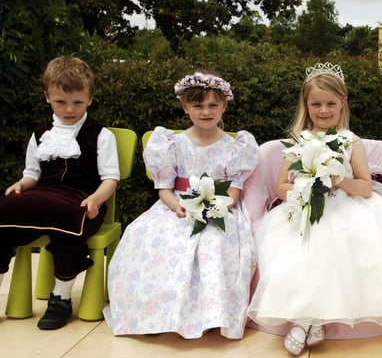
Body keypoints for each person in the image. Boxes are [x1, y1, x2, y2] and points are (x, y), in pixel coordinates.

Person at [247, 62, 382, 356]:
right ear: (305, 105)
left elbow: (365, 186)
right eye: (316, 104)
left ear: (342, 103)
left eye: (330, 104)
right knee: (298, 250)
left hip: (347, 206)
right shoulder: (298, 141)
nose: (323, 111)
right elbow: (281, 186)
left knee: (341, 245)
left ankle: (309, 320)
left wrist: (338, 181)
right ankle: (308, 319)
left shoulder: (351, 141)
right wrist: (303, 188)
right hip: (306, 206)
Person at [103, 72, 259, 340]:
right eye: (198, 106)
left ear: (224, 106)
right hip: (178, 207)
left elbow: (235, 187)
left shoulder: (236, 147)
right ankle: (154, 313)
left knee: (212, 244)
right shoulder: (172, 144)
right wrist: (176, 207)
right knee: (155, 240)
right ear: (185, 107)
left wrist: (222, 205)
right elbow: (164, 188)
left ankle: (211, 314)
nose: (206, 112)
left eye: (213, 105)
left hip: (220, 209)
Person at [0, 56, 120, 330]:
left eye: (77, 102)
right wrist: (21, 184)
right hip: (43, 197)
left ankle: (61, 298)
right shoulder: (41, 133)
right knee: (3, 216)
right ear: (47, 98)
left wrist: (96, 199)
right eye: (60, 102)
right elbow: (32, 173)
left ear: (89, 99)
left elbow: (110, 179)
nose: (69, 109)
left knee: (68, 225)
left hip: (82, 199)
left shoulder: (100, 135)